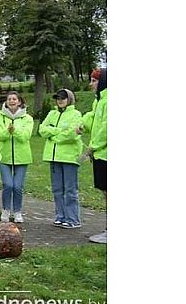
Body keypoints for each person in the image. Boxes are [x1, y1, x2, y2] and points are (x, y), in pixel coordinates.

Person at [39, 88, 84, 229]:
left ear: (69, 99)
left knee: (70, 189)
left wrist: (53, 134)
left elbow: (72, 134)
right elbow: (41, 129)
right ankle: (60, 216)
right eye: (58, 98)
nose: (60, 100)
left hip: (69, 157)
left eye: (63, 98)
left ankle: (72, 219)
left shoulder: (76, 114)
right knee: (57, 189)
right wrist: (58, 132)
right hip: (53, 157)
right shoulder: (52, 113)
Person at [0, 91, 34, 223]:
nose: (12, 101)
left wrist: (14, 131)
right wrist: (7, 131)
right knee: (8, 184)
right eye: (9, 99)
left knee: (17, 186)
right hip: (4, 157)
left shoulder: (27, 118)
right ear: (6, 102)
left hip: (22, 157)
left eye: (14, 99)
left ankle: (17, 212)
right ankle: (5, 210)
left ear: (19, 102)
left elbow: (25, 137)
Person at [82, 68, 107, 244]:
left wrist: (93, 146)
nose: (91, 84)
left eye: (94, 80)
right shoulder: (99, 101)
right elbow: (93, 121)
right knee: (105, 192)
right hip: (100, 154)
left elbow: (107, 128)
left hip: (106, 154)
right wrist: (82, 124)